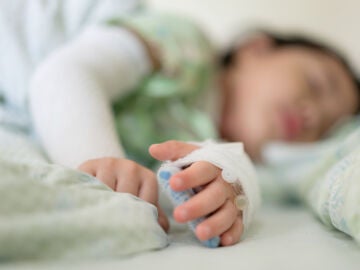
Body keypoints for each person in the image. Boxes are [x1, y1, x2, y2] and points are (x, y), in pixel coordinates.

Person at [16, 8, 360, 247]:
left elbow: (166, 194)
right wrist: (99, 164)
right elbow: (62, 75)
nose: (313, 114)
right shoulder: (189, 51)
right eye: (316, 84)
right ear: (256, 48)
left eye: (327, 126)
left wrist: (224, 192)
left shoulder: (246, 166)